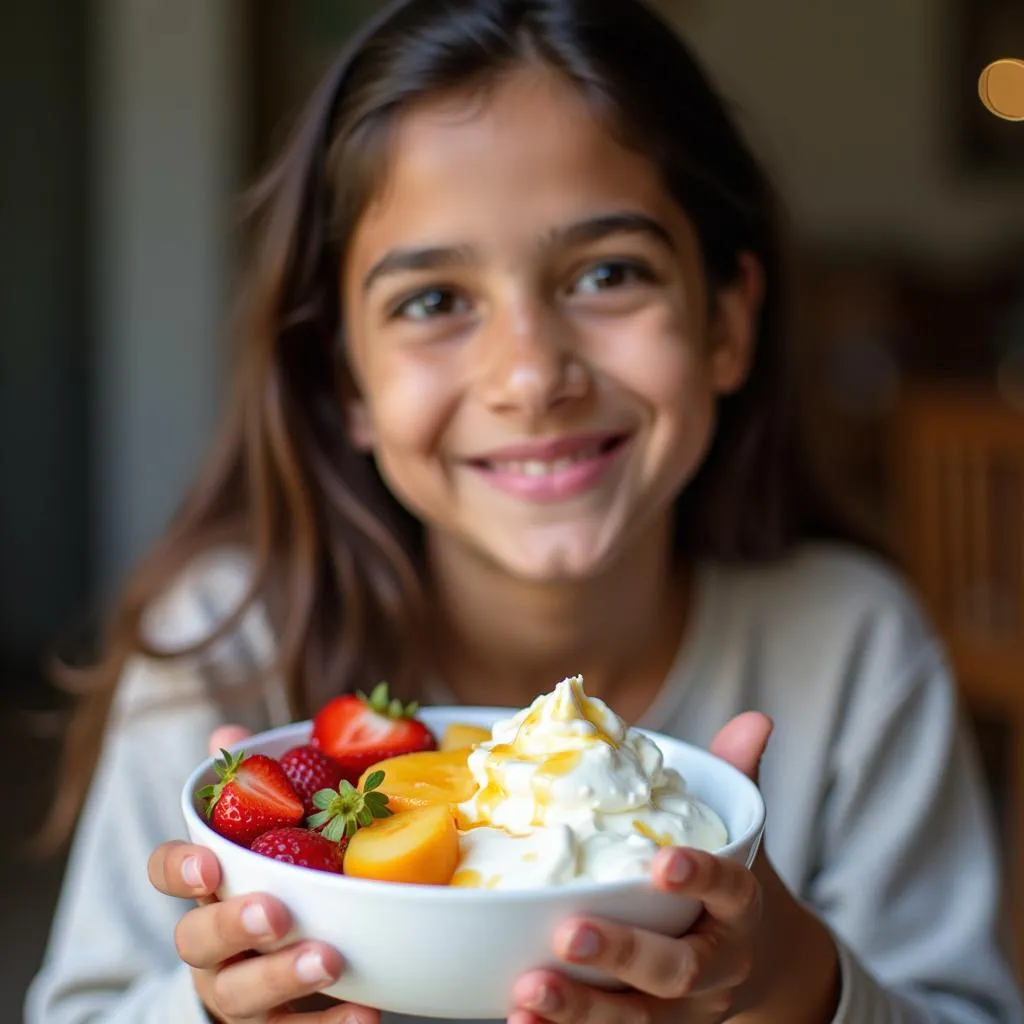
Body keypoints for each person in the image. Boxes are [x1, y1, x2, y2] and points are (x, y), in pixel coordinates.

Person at [25, 0, 1023, 1022]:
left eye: (606, 274)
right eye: (432, 301)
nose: (531, 375)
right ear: (345, 385)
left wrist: (785, 981)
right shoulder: (221, 645)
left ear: (726, 320)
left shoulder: (856, 649)